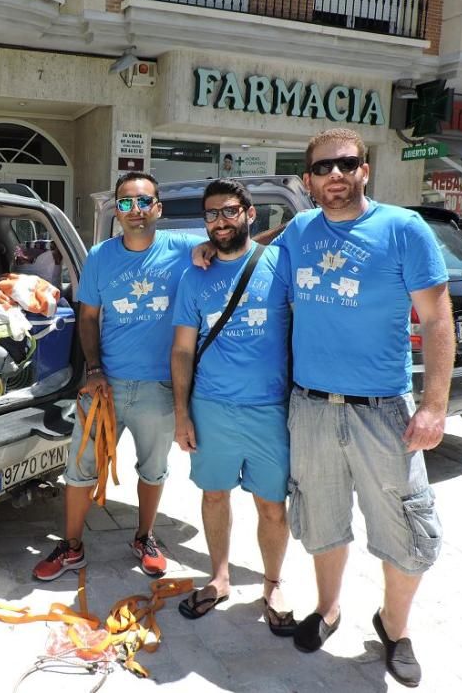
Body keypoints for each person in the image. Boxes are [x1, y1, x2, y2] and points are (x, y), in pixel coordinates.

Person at [278, 128, 453, 687]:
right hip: (310, 408)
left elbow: (437, 319)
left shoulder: (403, 229)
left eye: (346, 164)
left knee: (405, 528)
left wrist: (434, 405)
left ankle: (394, 628)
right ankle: (328, 608)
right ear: (307, 181)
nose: (335, 174)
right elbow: (254, 267)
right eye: (323, 167)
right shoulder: (299, 231)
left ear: (364, 170)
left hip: (383, 411)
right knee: (320, 519)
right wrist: (201, 247)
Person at [32, 171, 201, 581]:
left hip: (160, 387)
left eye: (144, 202)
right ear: (116, 211)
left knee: (153, 470)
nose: (136, 211)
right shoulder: (101, 257)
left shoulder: (184, 248)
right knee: (79, 469)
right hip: (104, 385)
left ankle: (144, 537)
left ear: (158, 208)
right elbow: (88, 317)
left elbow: (240, 249)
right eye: (126, 203)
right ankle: (72, 547)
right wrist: (93, 369)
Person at [171, 178, 295, 635]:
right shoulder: (194, 275)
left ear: (249, 214)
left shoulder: (279, 264)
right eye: (211, 215)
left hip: (269, 410)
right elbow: (183, 349)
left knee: (272, 507)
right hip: (211, 408)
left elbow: (303, 222)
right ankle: (219, 578)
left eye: (229, 211)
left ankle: (273, 583)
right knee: (214, 494)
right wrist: (182, 413)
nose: (220, 221)